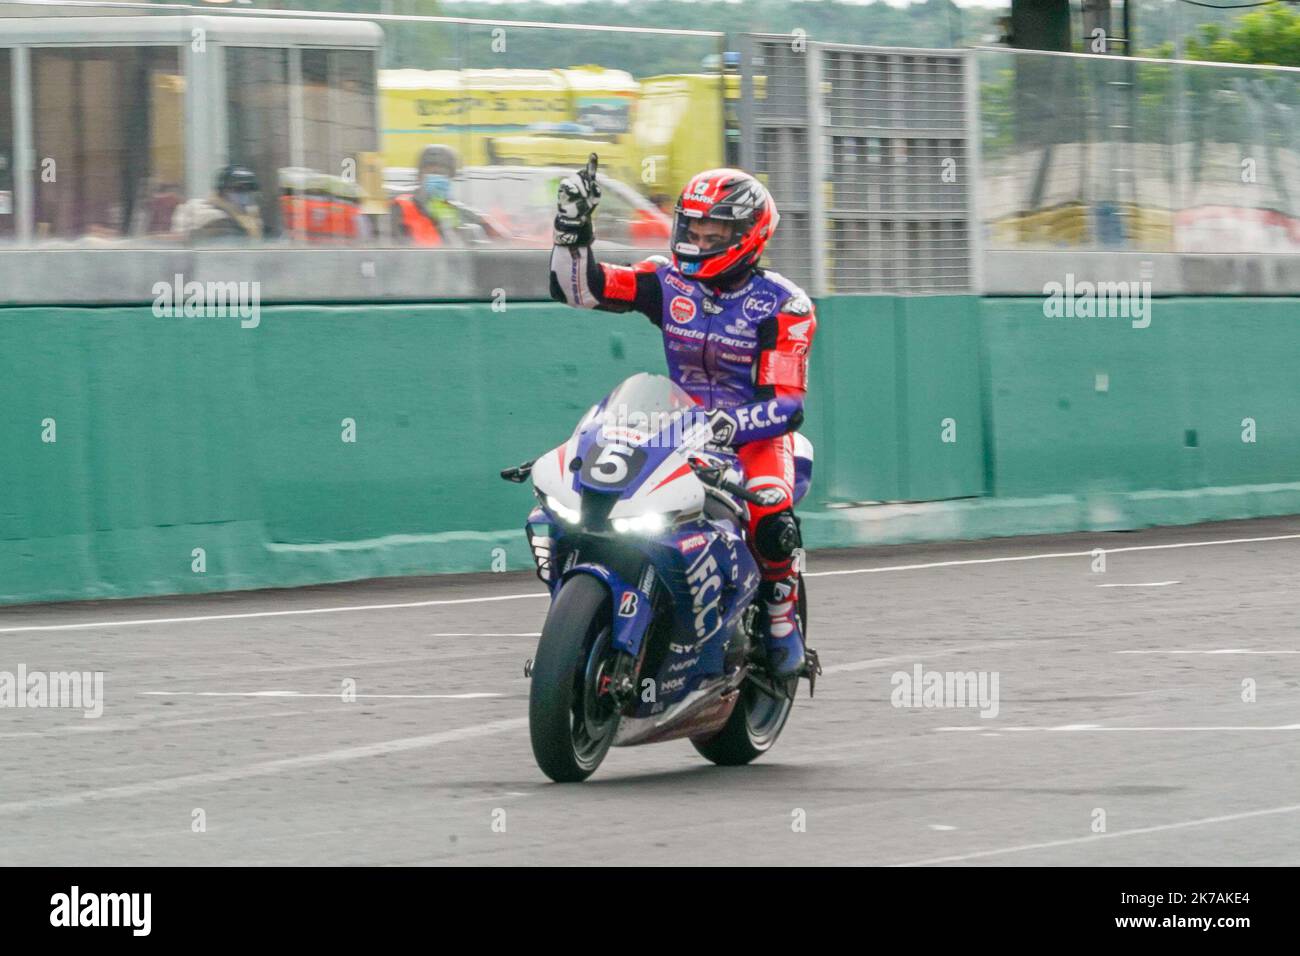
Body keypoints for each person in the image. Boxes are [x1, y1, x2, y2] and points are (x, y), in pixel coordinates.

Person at [548, 163, 818, 680]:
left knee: (771, 509)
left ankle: (782, 615)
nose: (697, 241)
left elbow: (787, 406)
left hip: (753, 438)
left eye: (712, 233)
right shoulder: (665, 280)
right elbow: (580, 290)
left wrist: (728, 427)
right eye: (691, 229)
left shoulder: (785, 305)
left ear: (747, 236)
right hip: (677, 427)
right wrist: (571, 230)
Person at [391, 144, 504, 246]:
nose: (436, 178)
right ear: (419, 176)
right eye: (431, 173)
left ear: (451, 178)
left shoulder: (453, 209)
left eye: (441, 173)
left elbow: (492, 230)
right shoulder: (402, 205)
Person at [171, 165, 263, 242]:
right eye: (238, 189)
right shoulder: (212, 215)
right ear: (222, 192)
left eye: (249, 190)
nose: (245, 194)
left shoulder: (246, 216)